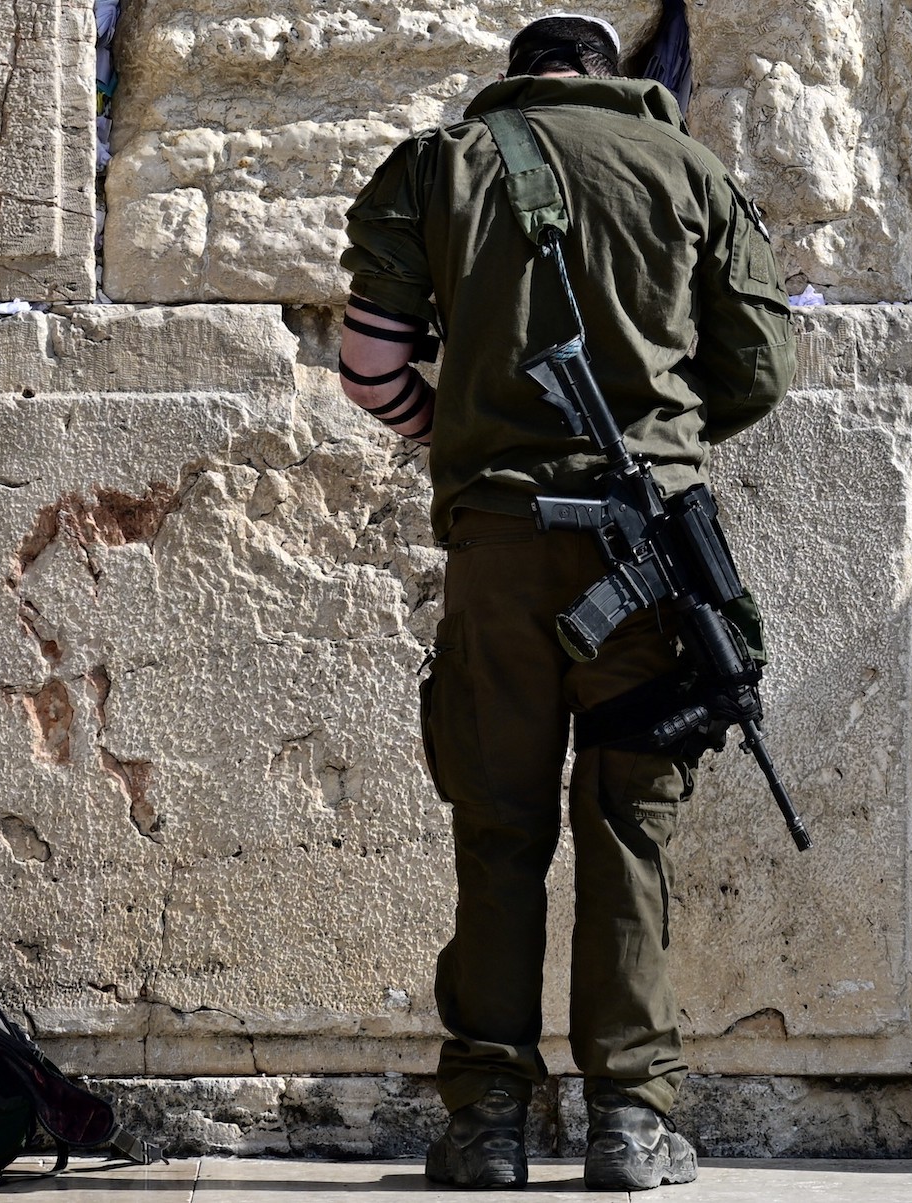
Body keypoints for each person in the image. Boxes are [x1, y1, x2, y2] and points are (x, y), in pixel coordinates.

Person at [336, 12, 796, 1193]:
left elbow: (371, 370)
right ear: (610, 77)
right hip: (650, 557)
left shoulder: (437, 167)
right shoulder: (693, 173)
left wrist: (464, 443)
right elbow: (758, 371)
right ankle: (631, 1126)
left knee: (497, 831)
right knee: (631, 830)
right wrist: (665, 450)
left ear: (519, 77)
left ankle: (486, 1124)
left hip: (499, 555)